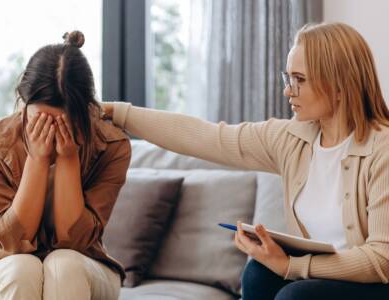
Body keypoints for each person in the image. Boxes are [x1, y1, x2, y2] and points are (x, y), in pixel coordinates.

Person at [102, 22, 389, 299]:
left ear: (339, 85)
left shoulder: (382, 148)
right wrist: (117, 113)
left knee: (296, 295)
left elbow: (381, 258)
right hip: (322, 280)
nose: (288, 91)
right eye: (288, 78)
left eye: (300, 80)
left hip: (375, 281)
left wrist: (293, 267)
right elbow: (206, 137)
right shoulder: (291, 139)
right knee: (258, 272)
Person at [0, 31, 131, 300]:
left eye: (65, 122)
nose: (52, 132)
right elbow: (10, 241)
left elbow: (75, 242)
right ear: (22, 102)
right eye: (40, 120)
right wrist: (37, 160)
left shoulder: (112, 145)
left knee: (64, 263)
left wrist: (68, 159)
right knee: (22, 268)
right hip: (4, 263)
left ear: (88, 110)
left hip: (84, 266)